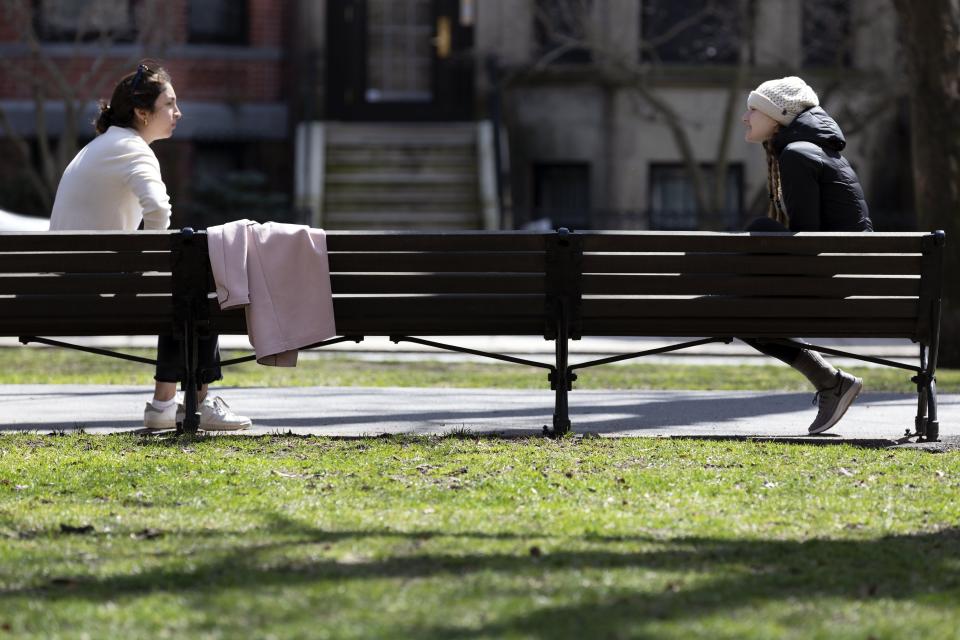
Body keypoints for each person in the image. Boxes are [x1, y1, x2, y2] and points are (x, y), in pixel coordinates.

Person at [49, 62, 251, 432]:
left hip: (70, 287)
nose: (179, 113)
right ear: (142, 113)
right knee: (199, 284)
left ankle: (163, 405)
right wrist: (158, 261)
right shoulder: (132, 149)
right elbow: (157, 208)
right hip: (97, 291)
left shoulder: (103, 145)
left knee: (188, 286)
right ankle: (198, 402)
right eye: (170, 105)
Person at [741, 75, 871, 435]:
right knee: (733, 305)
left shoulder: (798, 155)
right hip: (849, 281)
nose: (745, 117)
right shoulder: (812, 151)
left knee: (733, 300)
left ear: (778, 115)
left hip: (835, 287)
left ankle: (830, 382)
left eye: (753, 108)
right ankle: (831, 382)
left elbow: (806, 245)